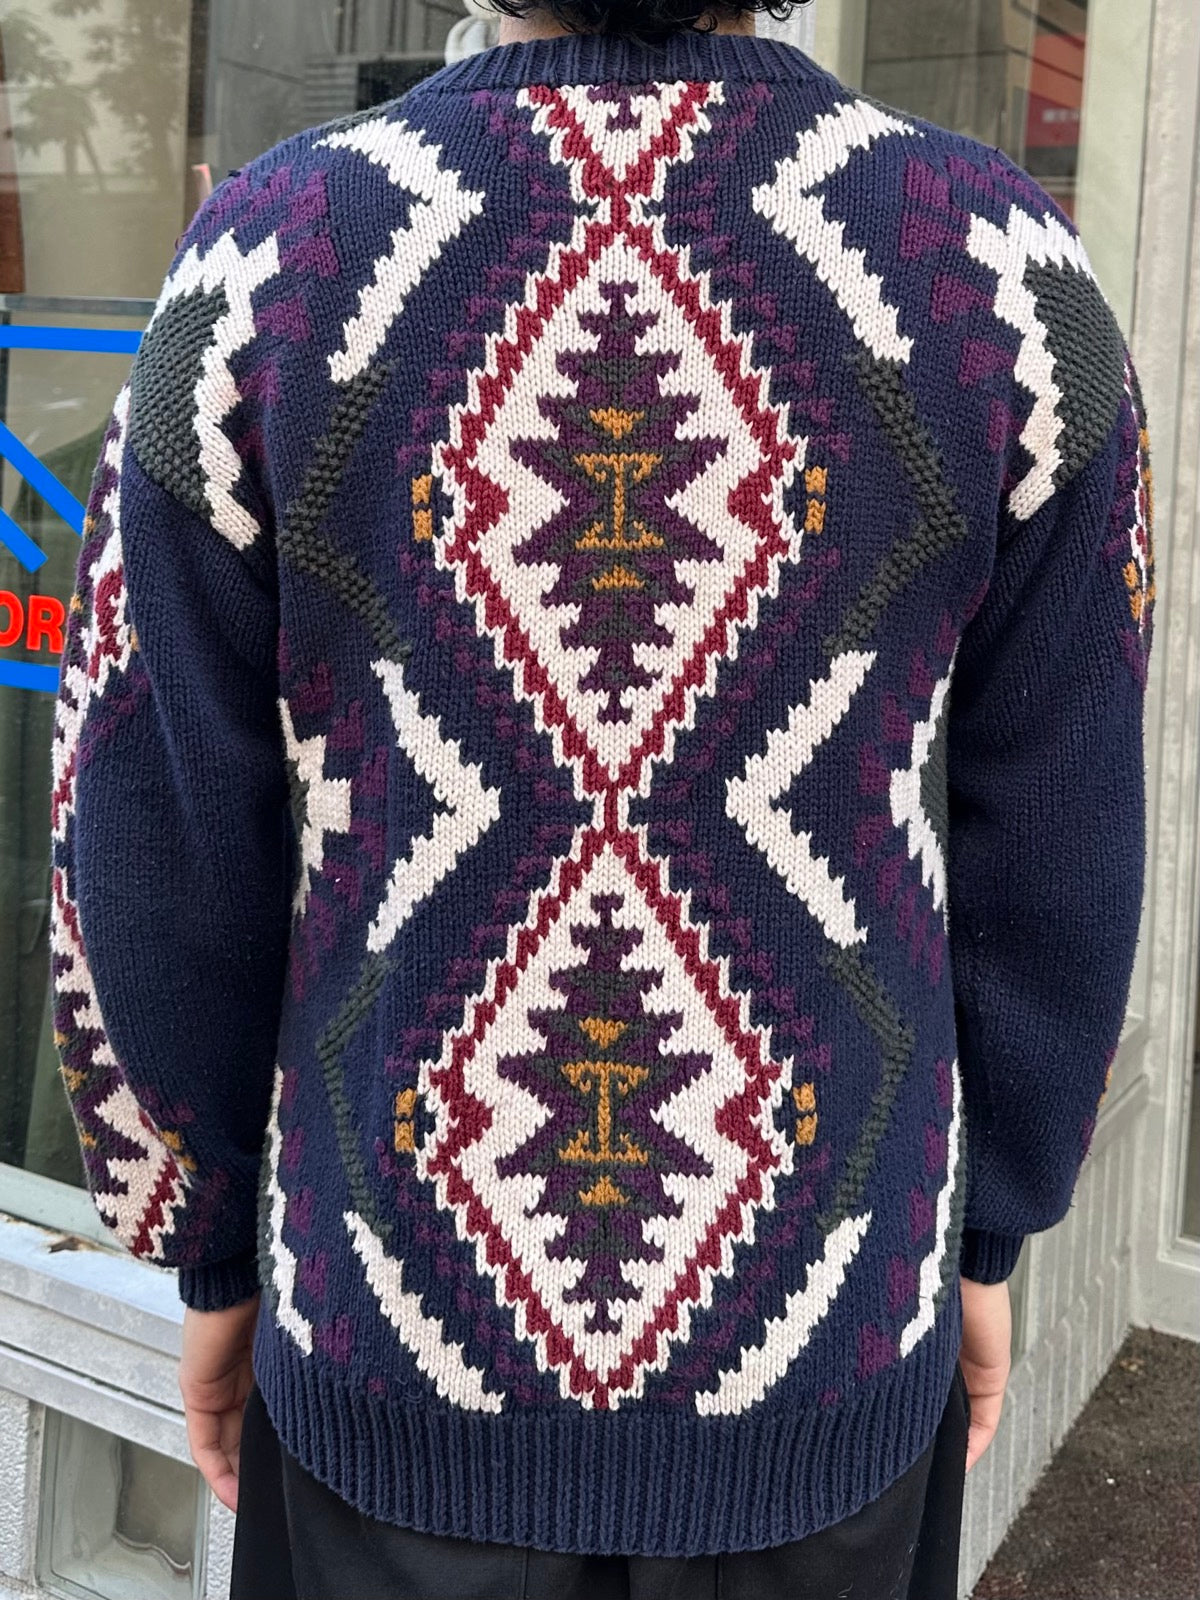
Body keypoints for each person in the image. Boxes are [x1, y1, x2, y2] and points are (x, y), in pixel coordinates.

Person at [49, 1, 1156, 1596]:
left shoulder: (273, 254)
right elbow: (1061, 822)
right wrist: (991, 1220)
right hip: (826, 1341)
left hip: (392, 1337)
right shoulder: (996, 266)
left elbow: (147, 817)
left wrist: (207, 1234)